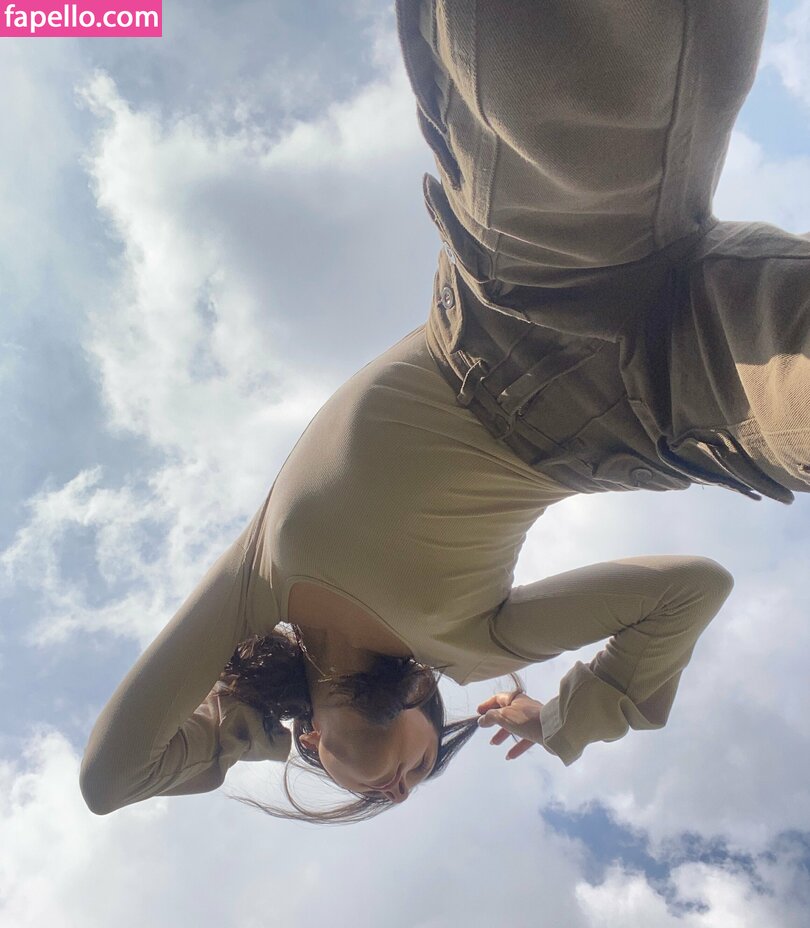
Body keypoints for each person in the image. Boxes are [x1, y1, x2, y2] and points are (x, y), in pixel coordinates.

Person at [80, 0, 807, 825]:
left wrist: (240, 725)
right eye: (419, 775)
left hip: (522, 285)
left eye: (370, 791)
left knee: (556, 38)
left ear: (311, 741)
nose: (396, 788)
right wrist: (561, 721)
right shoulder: (472, 648)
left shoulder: (255, 583)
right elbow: (690, 590)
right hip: (666, 408)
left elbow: (112, 779)